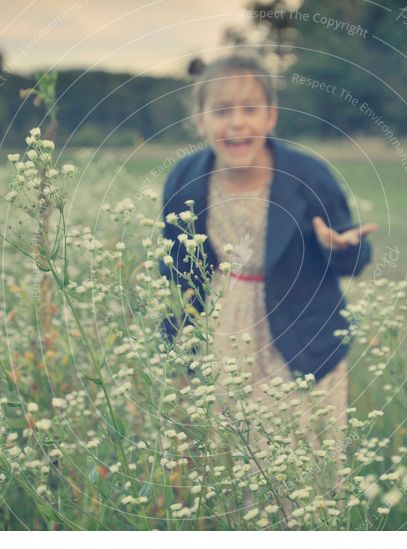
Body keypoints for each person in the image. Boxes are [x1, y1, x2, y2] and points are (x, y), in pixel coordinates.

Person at [158, 51, 376, 464]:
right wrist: (180, 358)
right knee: (237, 460)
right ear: (200, 120)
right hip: (225, 333)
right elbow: (176, 275)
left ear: (271, 116)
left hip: (302, 335)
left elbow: (354, 256)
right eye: (222, 111)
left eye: (250, 109)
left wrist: (337, 247)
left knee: (307, 461)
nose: (237, 122)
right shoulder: (184, 179)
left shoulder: (308, 174)